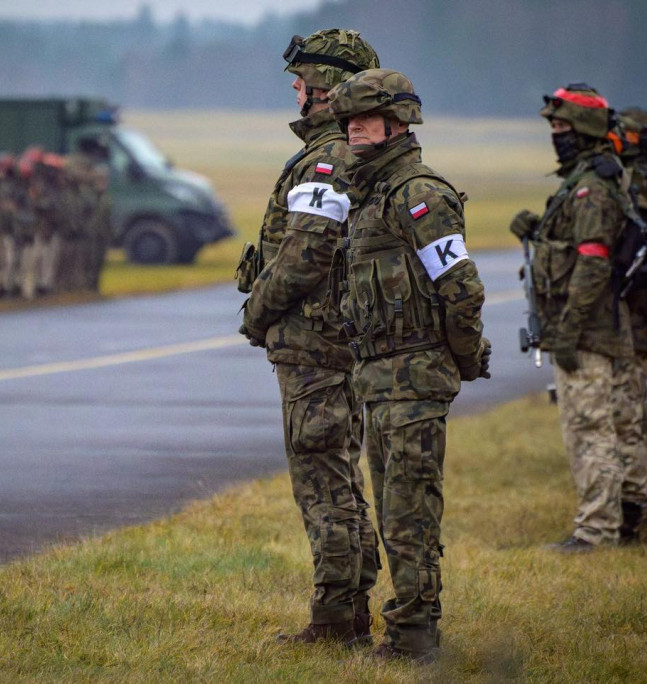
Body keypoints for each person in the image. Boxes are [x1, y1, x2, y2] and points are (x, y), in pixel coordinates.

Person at [325, 68, 490, 663]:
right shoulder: (369, 194)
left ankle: (416, 636)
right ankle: (408, 628)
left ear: (399, 122)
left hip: (415, 380)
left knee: (409, 512)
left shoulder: (419, 196)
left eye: (365, 117)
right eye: (348, 119)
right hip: (379, 380)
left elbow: (461, 290)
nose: (354, 128)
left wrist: (465, 359)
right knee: (396, 509)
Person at [238, 29, 381, 646]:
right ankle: (350, 611)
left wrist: (257, 314)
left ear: (325, 90)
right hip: (332, 343)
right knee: (341, 477)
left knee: (324, 483)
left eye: (303, 85)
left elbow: (305, 253)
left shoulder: (328, 158)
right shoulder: (345, 152)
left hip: (315, 347)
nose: (297, 94)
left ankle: (334, 624)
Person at [510, 84, 646, 552]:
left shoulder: (590, 186)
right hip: (607, 323)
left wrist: (566, 330)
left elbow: (592, 261)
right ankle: (631, 514)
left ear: (585, 127)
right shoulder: (597, 176)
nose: (555, 134)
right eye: (552, 126)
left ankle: (597, 531)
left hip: (588, 329)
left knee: (590, 429)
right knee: (623, 423)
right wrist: (540, 230)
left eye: (562, 125)